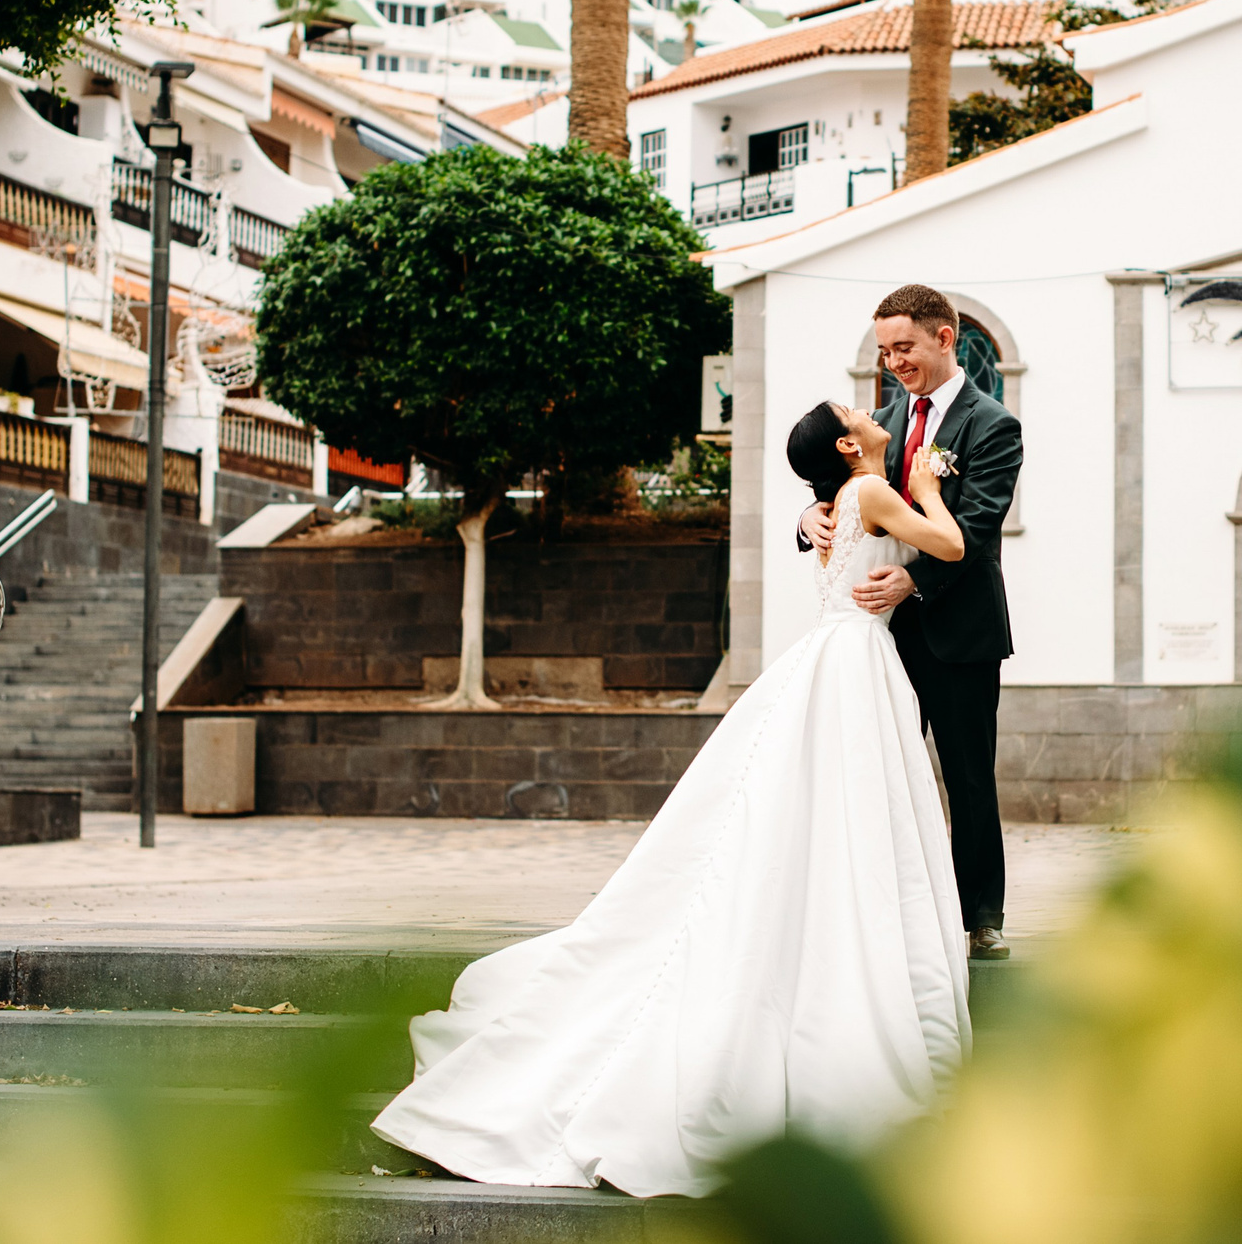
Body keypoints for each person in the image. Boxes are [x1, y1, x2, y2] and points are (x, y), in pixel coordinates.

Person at [371, 402, 973, 1197]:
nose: (867, 407)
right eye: (854, 411)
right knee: (851, 809)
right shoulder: (866, 491)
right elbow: (951, 544)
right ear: (846, 443)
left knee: (824, 810)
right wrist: (929, 487)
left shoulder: (840, 501)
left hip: (839, 654)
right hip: (856, 661)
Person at [800, 284, 1024, 959]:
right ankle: (888, 912)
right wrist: (806, 519)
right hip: (882, 639)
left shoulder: (992, 424)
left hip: (960, 631)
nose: (893, 362)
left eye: (903, 348)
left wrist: (914, 579)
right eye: (884, 351)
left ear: (943, 338)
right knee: (882, 774)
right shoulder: (881, 419)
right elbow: (839, 489)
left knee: (967, 776)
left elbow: (979, 526)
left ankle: (979, 917)